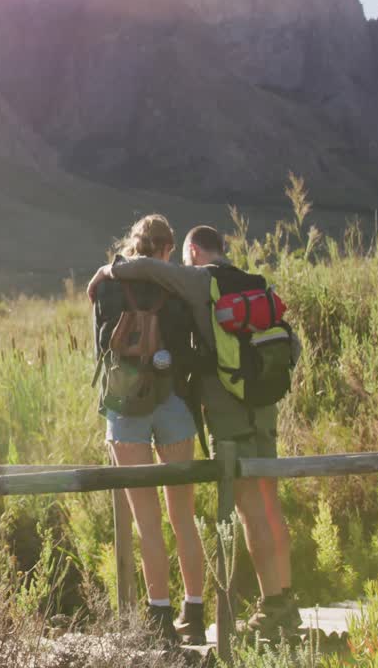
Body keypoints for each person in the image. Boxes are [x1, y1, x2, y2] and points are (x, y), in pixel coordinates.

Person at [86, 225, 302, 636]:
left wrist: (106, 270)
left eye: (184, 259)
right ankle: (270, 602)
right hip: (259, 409)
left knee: (241, 508)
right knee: (265, 507)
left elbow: (145, 269)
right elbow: (291, 346)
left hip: (221, 413)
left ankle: (259, 608)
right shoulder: (254, 285)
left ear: (192, 251)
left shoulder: (201, 279)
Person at [91, 215, 207, 646]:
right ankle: (193, 613)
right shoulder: (174, 283)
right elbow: (190, 347)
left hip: (126, 409)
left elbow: (101, 349)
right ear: (165, 249)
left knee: (147, 521)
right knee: (184, 517)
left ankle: (159, 620)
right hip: (172, 403)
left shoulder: (106, 283)